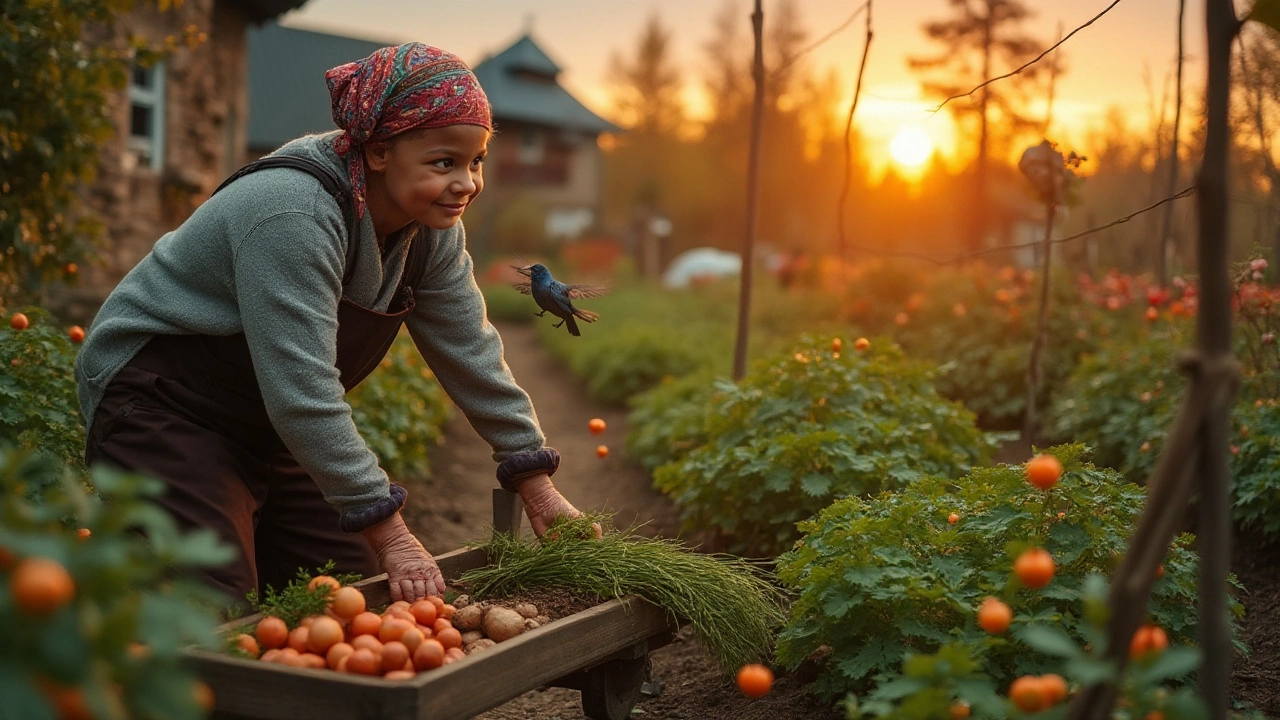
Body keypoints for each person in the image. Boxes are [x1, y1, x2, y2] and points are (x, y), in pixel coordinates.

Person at [74, 42, 590, 604]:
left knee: (354, 590)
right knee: (210, 600)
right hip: (162, 403)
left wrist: (532, 477)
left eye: (476, 161)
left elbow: (470, 348)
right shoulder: (293, 213)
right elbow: (302, 390)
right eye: (444, 163)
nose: (466, 182)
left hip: (266, 415)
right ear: (378, 152)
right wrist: (391, 531)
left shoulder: (432, 229)